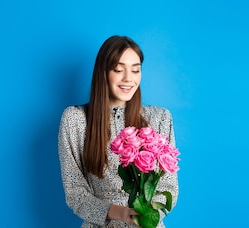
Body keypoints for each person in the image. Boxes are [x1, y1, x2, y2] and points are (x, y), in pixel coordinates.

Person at [58, 35, 179, 227]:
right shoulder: (75, 119)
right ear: (103, 72)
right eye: (118, 69)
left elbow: (168, 187)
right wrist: (118, 213)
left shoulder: (160, 118)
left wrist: (147, 215)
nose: (128, 79)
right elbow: (75, 192)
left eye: (136, 70)